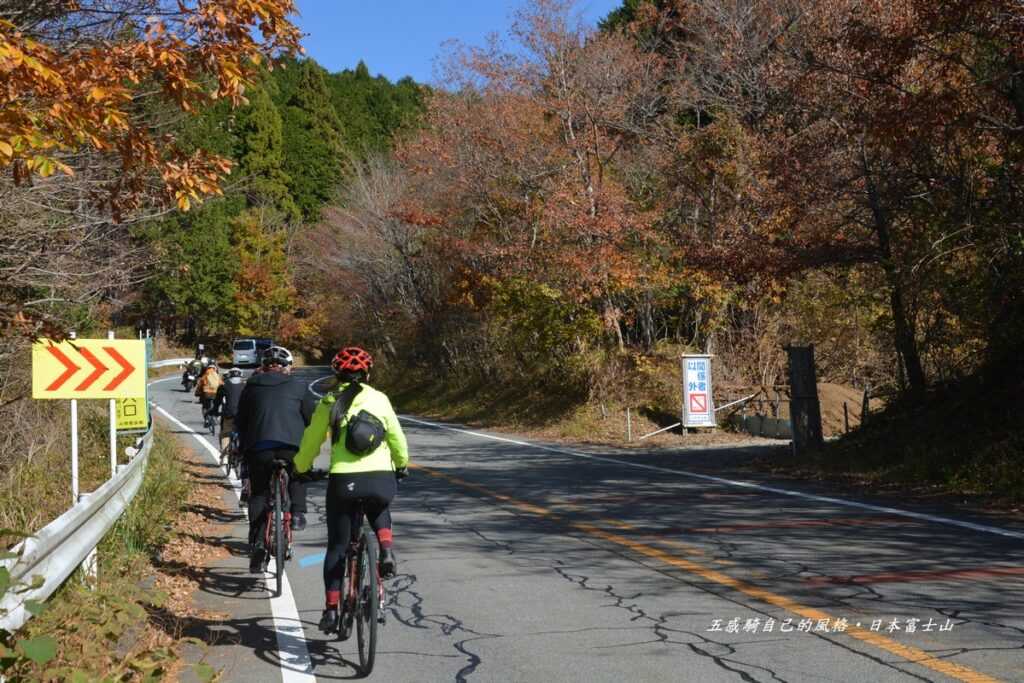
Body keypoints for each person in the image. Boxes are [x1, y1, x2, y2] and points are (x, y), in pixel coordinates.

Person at [293, 346, 409, 634]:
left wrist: (300, 467)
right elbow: (396, 436)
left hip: (344, 481)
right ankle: (385, 549)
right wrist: (402, 464)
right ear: (367, 373)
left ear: (337, 372)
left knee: (337, 547)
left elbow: (311, 441)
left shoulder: (329, 401)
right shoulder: (380, 399)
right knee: (379, 506)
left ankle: (332, 610)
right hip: (380, 476)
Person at [235, 345, 316, 573]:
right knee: (298, 473)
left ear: (263, 366)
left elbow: (241, 421)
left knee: (259, 493)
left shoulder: (251, 386)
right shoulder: (299, 386)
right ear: (287, 367)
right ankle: (298, 514)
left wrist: (242, 447)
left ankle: (259, 543)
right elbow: (311, 418)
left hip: (259, 447)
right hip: (291, 446)